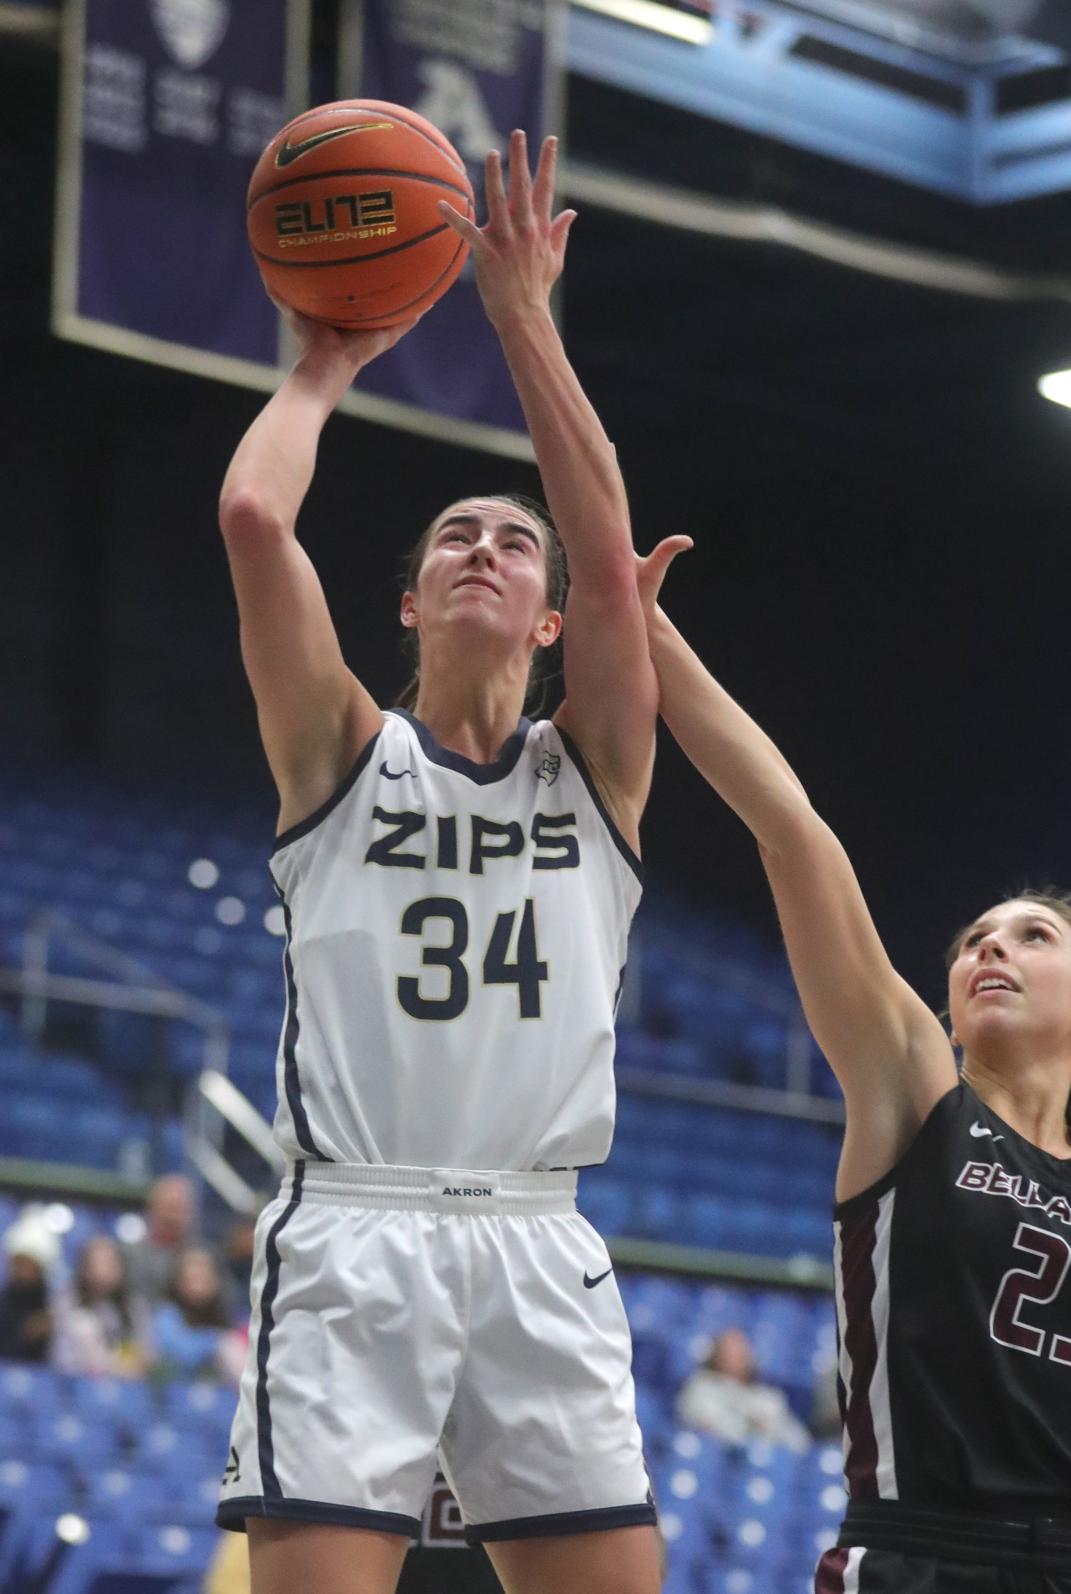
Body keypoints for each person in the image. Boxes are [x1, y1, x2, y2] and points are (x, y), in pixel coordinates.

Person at [214, 131, 661, 1594]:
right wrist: (328, 358)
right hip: (355, 1228)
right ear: (404, 602)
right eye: (454, 535)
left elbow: (609, 543)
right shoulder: (338, 755)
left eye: (511, 542)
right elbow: (252, 516)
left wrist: (519, 314)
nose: (485, 545)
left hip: (540, 1235)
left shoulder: (593, 770)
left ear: (552, 617)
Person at [634, 540, 1071, 1594]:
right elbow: (794, 834)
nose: (989, 948)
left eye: (1030, 936)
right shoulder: (914, 1094)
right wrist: (643, 628)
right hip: (924, 1558)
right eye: (974, 939)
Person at [677, 1326, 810, 1451]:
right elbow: (712, 1428)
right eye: (729, 1352)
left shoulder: (767, 1396)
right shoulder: (701, 1387)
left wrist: (769, 1428)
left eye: (741, 1351)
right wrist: (753, 1429)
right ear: (716, 1355)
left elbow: (799, 1441)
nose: (736, 1357)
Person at [54, 1234, 147, 1378]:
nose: (103, 1271)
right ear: (84, 1269)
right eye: (97, 1263)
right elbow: (62, 1357)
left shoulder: (134, 1309)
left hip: (124, 1386)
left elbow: (144, 1358)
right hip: (79, 1384)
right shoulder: (66, 1304)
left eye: (110, 1264)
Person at [150, 1247, 245, 1385]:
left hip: (217, 1393)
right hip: (172, 1390)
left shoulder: (223, 1313)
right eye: (192, 1279)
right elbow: (183, 1353)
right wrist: (216, 1341)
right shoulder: (166, 1313)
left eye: (203, 1279)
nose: (197, 1286)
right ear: (178, 1282)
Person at [121, 1173, 195, 1306]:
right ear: (152, 1208)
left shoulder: (200, 1259)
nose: (174, 1217)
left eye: (180, 1209)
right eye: (170, 1207)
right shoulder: (128, 1255)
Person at [0, 1209, 59, 1363]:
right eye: (17, 1263)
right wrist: (25, 1333)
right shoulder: (4, 1301)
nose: (20, 1270)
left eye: (26, 1264)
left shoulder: (51, 1303)